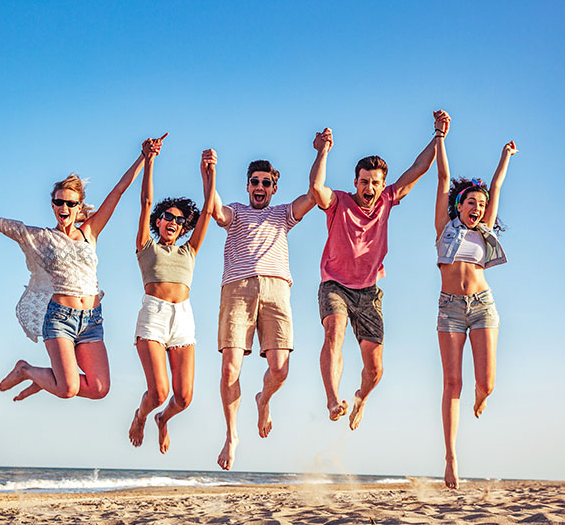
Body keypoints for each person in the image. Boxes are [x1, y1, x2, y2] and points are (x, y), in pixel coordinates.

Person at [0, 143, 146, 401]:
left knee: (99, 389)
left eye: (70, 203)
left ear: (79, 206)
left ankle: (46, 380)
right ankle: (27, 371)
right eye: (59, 202)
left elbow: (119, 190)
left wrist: (144, 157)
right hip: (60, 319)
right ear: (53, 204)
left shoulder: (90, 232)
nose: (64, 207)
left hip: (92, 321)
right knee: (68, 389)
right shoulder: (39, 237)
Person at [308, 111, 451, 430]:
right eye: (363, 181)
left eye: (375, 182)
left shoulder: (388, 199)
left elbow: (419, 169)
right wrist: (323, 151)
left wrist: (439, 135)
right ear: (355, 181)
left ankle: (361, 398)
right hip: (334, 285)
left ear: (382, 184)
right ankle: (333, 400)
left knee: (374, 370)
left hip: (369, 292)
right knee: (334, 331)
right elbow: (317, 187)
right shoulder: (339, 202)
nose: (368, 188)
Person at [211, 157, 316, 470]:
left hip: (276, 291)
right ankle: (231, 436)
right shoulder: (237, 211)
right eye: (254, 182)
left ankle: (263, 400)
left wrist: (321, 151)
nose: (259, 187)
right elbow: (216, 211)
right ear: (247, 186)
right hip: (237, 290)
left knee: (280, 369)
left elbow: (313, 195)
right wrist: (211, 172)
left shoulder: (282, 214)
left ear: (273, 188)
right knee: (230, 367)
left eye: (265, 183)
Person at [434, 118, 517, 488]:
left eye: (482, 206)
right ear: (459, 204)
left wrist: (505, 157)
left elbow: (497, 184)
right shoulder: (444, 228)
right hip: (450, 309)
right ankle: (451, 459)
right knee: (452, 383)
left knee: (488, 384)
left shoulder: (485, 231)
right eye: (472, 203)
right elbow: (442, 177)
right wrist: (440, 138)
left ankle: (481, 398)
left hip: (483, 306)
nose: (478, 209)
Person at [128, 136, 217, 454]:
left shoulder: (190, 250)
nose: (173, 222)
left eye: (180, 221)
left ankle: (162, 420)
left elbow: (207, 212)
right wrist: (149, 159)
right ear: (159, 221)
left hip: (183, 320)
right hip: (153, 316)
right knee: (159, 391)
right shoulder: (146, 246)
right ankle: (142, 415)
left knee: (183, 398)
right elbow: (146, 202)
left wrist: (209, 172)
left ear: (183, 229)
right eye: (168, 217)